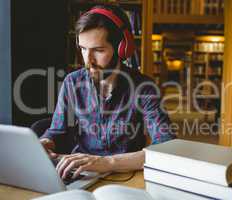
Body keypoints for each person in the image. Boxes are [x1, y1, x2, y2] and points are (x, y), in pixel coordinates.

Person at [39, 4, 175, 180]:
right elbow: (57, 132)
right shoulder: (72, 82)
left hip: (125, 174)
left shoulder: (145, 88)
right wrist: (44, 143)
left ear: (122, 49)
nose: (88, 61)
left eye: (99, 50)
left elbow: (166, 147)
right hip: (79, 173)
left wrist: (107, 163)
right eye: (83, 49)